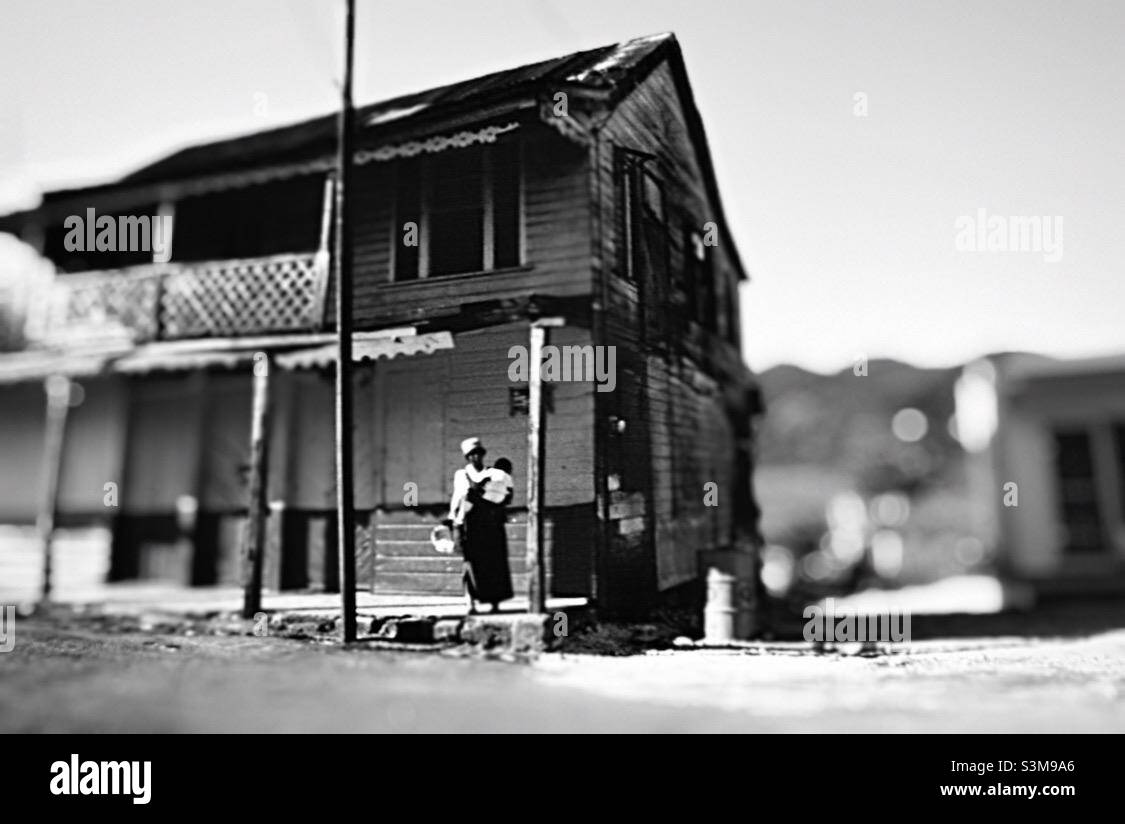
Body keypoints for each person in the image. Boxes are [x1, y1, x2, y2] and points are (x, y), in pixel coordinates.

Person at [446, 438, 513, 614]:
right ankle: (470, 601)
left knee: (494, 562)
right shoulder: (461, 475)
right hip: (468, 524)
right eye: (471, 455)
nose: (476, 457)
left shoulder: (494, 474)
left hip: (490, 524)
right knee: (470, 564)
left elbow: (506, 496)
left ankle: (495, 602)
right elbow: (457, 497)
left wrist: (502, 496)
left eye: (479, 454)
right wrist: (452, 518)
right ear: (467, 457)